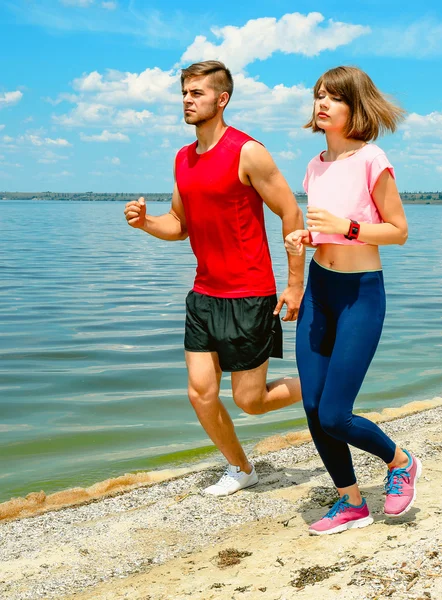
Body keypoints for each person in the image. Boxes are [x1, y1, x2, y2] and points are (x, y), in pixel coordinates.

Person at [124, 60, 304, 496]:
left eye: (197, 93)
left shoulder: (247, 152)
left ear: (221, 99)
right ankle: (242, 468)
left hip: (250, 293)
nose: (187, 100)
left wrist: (295, 282)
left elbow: (290, 211)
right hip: (204, 294)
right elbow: (179, 225)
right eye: (185, 92)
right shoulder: (183, 159)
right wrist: (147, 223)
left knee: (250, 401)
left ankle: (326, 380)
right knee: (200, 393)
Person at [285, 66, 420, 535]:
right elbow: (326, 230)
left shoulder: (372, 158)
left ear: (354, 106)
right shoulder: (315, 164)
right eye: (318, 95)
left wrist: (349, 228)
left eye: (333, 98)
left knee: (334, 412)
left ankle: (400, 461)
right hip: (321, 290)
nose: (321, 103)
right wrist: (309, 237)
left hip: (360, 295)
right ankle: (351, 502)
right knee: (312, 406)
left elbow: (399, 231)